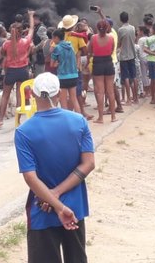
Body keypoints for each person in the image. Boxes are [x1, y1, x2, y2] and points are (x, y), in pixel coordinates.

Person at [14, 73, 95, 263]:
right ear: (59, 93)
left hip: (43, 209)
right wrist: (58, 195)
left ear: (32, 95)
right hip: (75, 207)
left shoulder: (24, 132)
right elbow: (89, 163)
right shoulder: (79, 121)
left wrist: (54, 202)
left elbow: (30, 178)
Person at [0, 11, 36, 130]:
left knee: (5, 96)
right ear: (22, 31)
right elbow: (32, 28)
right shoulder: (25, 41)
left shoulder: (6, 44)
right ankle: (17, 121)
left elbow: (0, 55)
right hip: (23, 70)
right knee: (20, 95)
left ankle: (0, 121)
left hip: (11, 71)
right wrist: (31, 15)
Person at [87, 20, 117, 123]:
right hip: (108, 62)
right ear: (107, 27)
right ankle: (113, 117)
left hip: (98, 63)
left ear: (97, 28)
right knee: (111, 92)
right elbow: (112, 50)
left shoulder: (93, 38)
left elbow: (89, 51)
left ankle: (100, 118)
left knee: (100, 92)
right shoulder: (111, 38)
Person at [50, 29, 81, 115]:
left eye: (53, 38)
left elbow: (52, 64)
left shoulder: (57, 48)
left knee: (63, 102)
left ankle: (66, 121)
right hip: (74, 75)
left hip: (63, 77)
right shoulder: (70, 46)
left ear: (56, 37)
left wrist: (57, 63)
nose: (52, 40)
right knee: (74, 100)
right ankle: (79, 119)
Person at [116, 12, 138, 105]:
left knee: (126, 78)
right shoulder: (133, 28)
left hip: (124, 56)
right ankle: (136, 98)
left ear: (121, 19)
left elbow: (119, 43)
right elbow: (134, 39)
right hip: (132, 55)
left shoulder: (121, 30)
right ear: (128, 18)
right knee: (134, 77)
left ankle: (128, 99)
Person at [136, 26, 150, 98]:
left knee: (143, 75)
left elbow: (138, 49)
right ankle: (149, 91)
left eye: (138, 31)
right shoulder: (149, 38)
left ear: (142, 31)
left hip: (142, 58)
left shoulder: (141, 39)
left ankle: (146, 91)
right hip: (149, 58)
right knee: (148, 74)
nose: (137, 32)